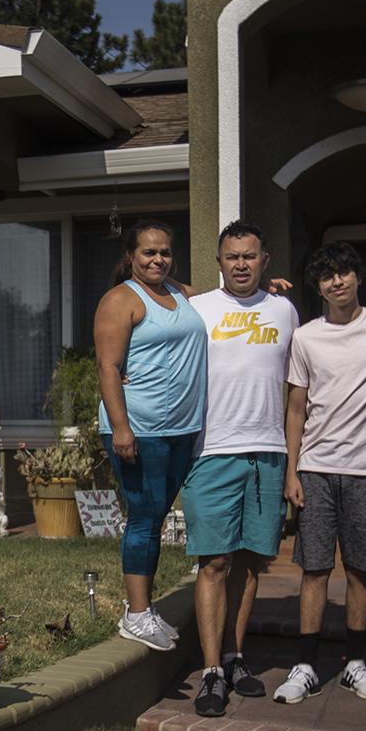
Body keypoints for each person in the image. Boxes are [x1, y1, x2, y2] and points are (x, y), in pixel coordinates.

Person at [179, 222, 300, 716]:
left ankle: (234, 657)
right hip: (210, 452)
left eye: (250, 256)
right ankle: (210, 671)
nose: (242, 264)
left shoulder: (285, 310)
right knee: (214, 563)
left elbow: (298, 388)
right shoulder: (196, 309)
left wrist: (295, 457)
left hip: (268, 450)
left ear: (265, 259)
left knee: (250, 562)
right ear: (219, 261)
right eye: (232, 257)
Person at [274, 240, 366, 706]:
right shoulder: (306, 337)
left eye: (345, 272)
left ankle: (354, 664)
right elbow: (296, 408)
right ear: (319, 286)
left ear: (359, 276)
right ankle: (305, 665)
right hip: (317, 468)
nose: (337, 281)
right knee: (315, 567)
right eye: (327, 276)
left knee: (362, 568)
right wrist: (292, 471)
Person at [93, 219, 205, 652]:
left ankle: (146, 608)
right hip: (139, 429)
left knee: (158, 516)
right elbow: (107, 367)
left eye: (164, 252)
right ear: (130, 257)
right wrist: (121, 428)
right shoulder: (121, 300)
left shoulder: (179, 293)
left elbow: (227, 299)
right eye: (148, 253)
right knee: (144, 517)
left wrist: (264, 289)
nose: (157, 259)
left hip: (182, 427)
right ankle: (136, 613)